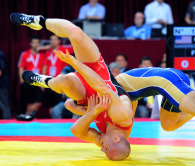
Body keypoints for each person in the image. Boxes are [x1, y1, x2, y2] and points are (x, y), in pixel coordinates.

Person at [10, 13, 133, 160]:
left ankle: (45, 81)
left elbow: (76, 131)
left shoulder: (103, 139)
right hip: (99, 75)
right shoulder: (123, 117)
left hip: (85, 93)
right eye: (106, 149)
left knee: (63, 81)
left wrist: (94, 112)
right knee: (75, 32)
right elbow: (101, 86)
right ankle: (38, 21)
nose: (101, 149)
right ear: (116, 139)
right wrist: (75, 63)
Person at [117, 48, 195, 131]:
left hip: (167, 80)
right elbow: (126, 125)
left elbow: (123, 130)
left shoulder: (113, 90)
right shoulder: (120, 93)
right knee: (168, 125)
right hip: (166, 80)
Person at [42, 35, 74, 116]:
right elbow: (45, 66)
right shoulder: (48, 52)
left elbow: (75, 46)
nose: (53, 42)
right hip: (49, 81)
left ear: (59, 41)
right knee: (50, 104)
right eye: (51, 40)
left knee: (57, 103)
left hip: (59, 82)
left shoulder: (64, 50)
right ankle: (53, 123)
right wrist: (42, 80)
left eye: (55, 40)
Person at [17, 35, 45, 120]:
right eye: (34, 42)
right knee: (29, 102)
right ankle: (30, 117)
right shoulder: (25, 54)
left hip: (38, 81)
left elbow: (44, 67)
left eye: (37, 42)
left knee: (38, 102)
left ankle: (27, 115)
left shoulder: (43, 54)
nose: (36, 44)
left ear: (40, 44)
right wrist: (22, 80)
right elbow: (21, 67)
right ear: (30, 43)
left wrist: (43, 81)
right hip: (28, 81)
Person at [0, 50, 12, 119]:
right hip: (2, 84)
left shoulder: (0, 55)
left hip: (2, 85)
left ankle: (7, 123)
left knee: (4, 105)